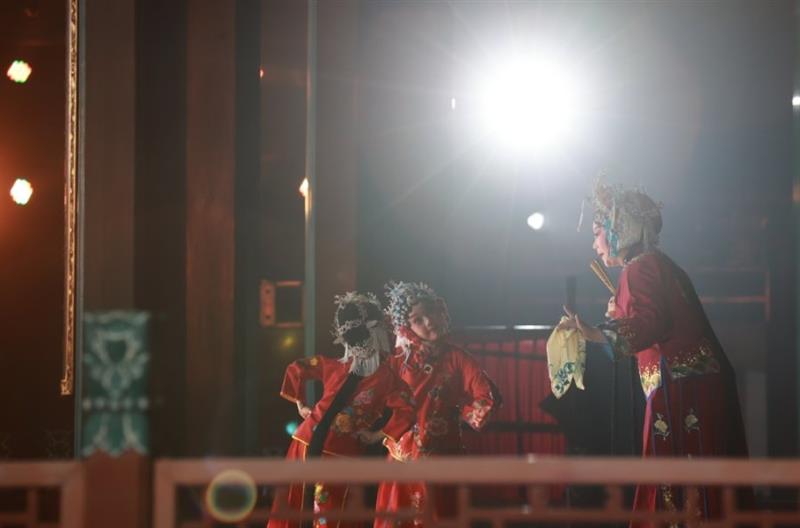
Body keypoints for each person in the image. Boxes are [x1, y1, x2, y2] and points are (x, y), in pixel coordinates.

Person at [560, 181, 749, 526]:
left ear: (619, 230)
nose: (594, 244)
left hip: (680, 387)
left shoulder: (639, 268)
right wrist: (619, 317)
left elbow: (649, 323)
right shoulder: (662, 265)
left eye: (597, 232)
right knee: (701, 480)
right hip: (693, 381)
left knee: (678, 481)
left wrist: (595, 331)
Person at [268, 291, 416, 528]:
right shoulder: (385, 377)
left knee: (298, 510)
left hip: (307, 442)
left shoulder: (335, 365)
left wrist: (301, 405)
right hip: (333, 451)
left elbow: (297, 368)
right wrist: (375, 435)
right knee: (327, 515)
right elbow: (408, 408)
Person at [374, 281, 500, 528]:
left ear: (441, 311)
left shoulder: (459, 359)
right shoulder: (397, 360)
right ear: (406, 328)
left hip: (444, 459)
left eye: (430, 312)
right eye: (417, 320)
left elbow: (486, 397)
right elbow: (372, 392)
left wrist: (462, 413)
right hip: (402, 461)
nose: (429, 321)